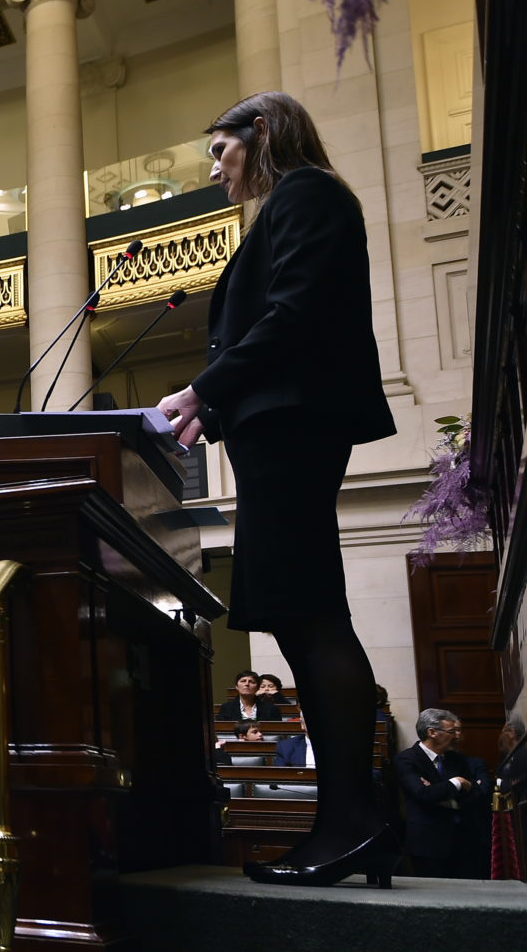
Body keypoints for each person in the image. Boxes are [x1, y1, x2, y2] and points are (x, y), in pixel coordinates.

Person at [155, 92, 399, 888]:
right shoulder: (294, 202)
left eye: (220, 150)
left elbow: (294, 317)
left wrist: (202, 390)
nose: (217, 169)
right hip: (276, 430)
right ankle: (345, 823)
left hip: (294, 429)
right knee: (298, 617)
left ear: (262, 132)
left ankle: (352, 823)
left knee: (312, 613)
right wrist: (216, 407)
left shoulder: (309, 194)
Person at [394, 709, 491, 879]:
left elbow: (476, 795)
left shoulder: (456, 759)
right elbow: (422, 793)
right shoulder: (406, 759)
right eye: (451, 731)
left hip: (463, 841)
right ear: (432, 732)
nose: (457, 736)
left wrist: (438, 792)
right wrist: (457, 782)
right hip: (427, 844)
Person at [215, 670, 283, 723]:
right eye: (243, 681)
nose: (247, 684)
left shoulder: (271, 709)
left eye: (252, 682)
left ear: (257, 687)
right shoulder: (226, 708)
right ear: (236, 686)